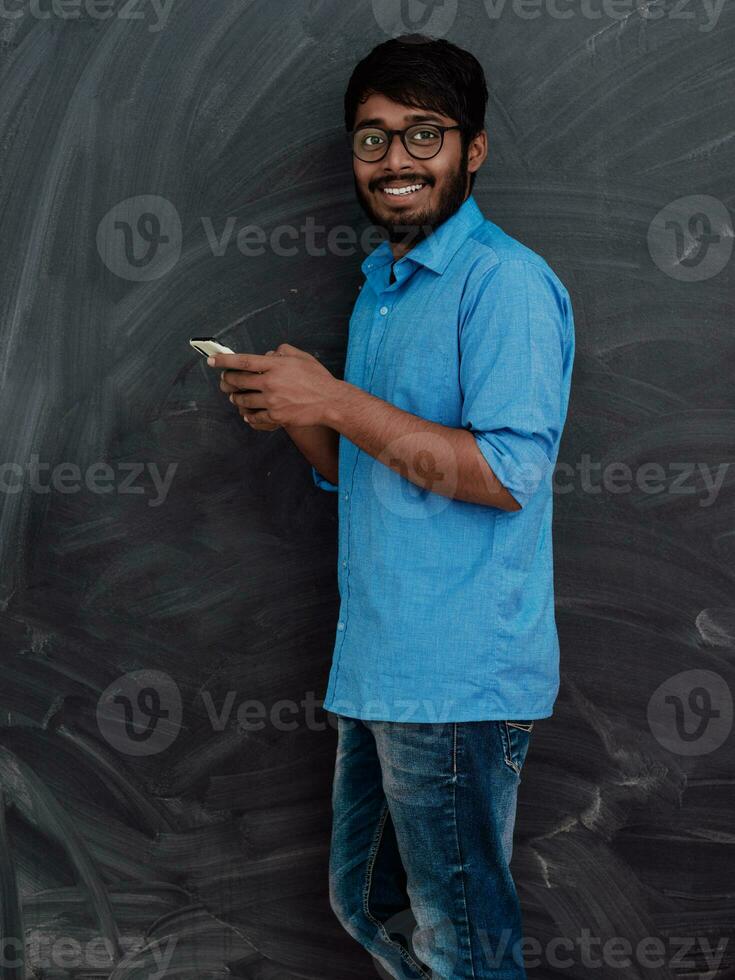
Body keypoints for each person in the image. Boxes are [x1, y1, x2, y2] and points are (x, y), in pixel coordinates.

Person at [207, 33, 575, 980]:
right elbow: (363, 472)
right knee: (367, 902)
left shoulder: (504, 285)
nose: (396, 159)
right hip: (380, 664)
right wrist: (294, 411)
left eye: (424, 134)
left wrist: (332, 398)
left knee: (459, 935)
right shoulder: (383, 288)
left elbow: (500, 473)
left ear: (473, 150)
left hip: (455, 678)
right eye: (373, 139)